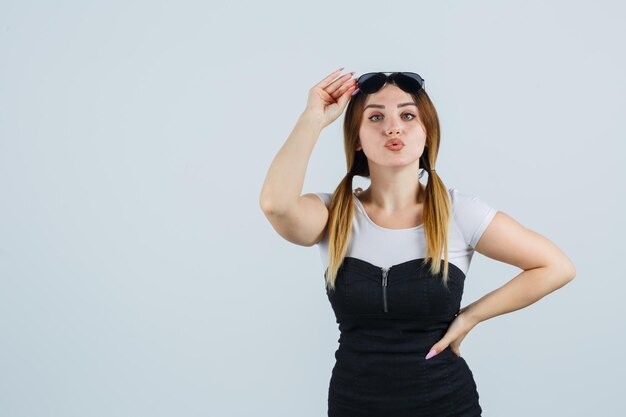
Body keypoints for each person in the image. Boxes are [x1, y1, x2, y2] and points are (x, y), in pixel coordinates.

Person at [259, 68, 576, 417]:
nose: (393, 127)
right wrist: (312, 119)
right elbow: (276, 205)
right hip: (354, 405)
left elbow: (555, 267)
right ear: (357, 138)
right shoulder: (332, 214)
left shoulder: (458, 212)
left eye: (408, 115)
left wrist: (471, 316)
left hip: (446, 404)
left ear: (426, 133)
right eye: (376, 117)